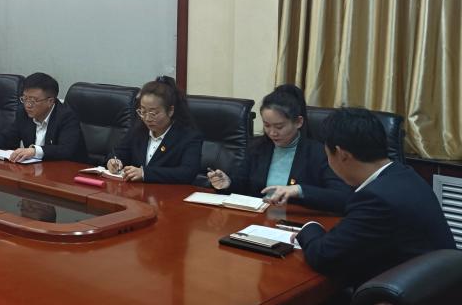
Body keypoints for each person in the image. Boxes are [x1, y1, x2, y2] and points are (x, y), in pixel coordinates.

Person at [295, 107, 454, 287]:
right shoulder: (403, 174)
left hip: (405, 297)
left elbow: (324, 256)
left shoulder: (376, 199)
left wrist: (309, 228)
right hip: (437, 288)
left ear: (342, 154)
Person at [208, 85, 350, 211]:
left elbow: (342, 197)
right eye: (267, 125)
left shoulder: (319, 153)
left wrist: (299, 190)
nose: (272, 133)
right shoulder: (256, 148)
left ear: (298, 122)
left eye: (279, 127)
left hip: (296, 222)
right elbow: (242, 185)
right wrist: (227, 184)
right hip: (258, 220)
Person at [0, 72, 87, 163]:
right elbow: (8, 135)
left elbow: (65, 150)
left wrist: (34, 151)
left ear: (50, 101)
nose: (28, 105)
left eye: (33, 100)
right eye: (25, 99)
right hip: (35, 171)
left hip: (65, 176)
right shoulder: (23, 112)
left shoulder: (66, 116)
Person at [106, 76, 201, 183]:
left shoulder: (188, 137)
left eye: (153, 113)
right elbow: (119, 152)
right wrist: (114, 161)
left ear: (170, 111)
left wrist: (145, 173)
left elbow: (187, 172)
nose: (147, 118)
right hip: (136, 191)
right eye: (143, 111)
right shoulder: (139, 129)